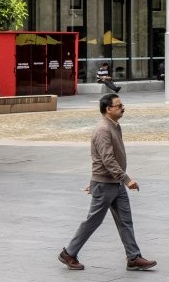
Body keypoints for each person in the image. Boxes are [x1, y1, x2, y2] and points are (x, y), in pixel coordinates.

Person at [58, 94, 157, 271]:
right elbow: (107, 159)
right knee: (93, 221)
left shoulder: (115, 126)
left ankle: (133, 257)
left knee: (125, 221)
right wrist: (126, 180)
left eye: (122, 104)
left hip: (114, 183)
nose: (122, 107)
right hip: (106, 184)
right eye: (118, 106)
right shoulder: (103, 129)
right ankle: (69, 253)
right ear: (108, 109)